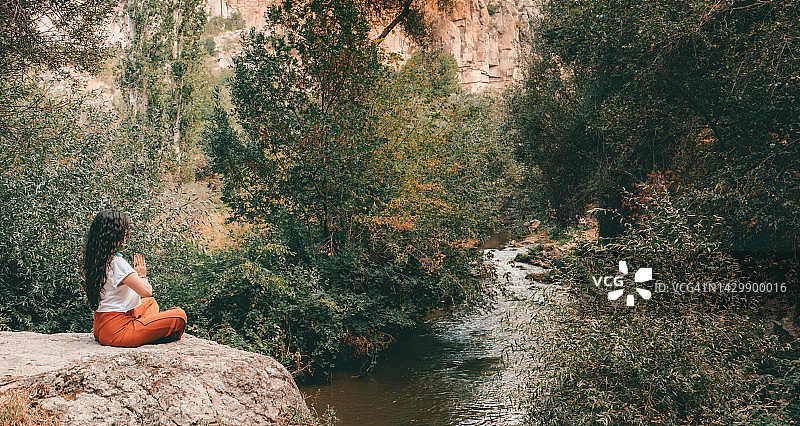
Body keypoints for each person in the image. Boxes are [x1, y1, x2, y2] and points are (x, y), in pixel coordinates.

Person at [82, 209, 187, 347]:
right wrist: (142, 275)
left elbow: (147, 297)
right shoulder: (117, 263)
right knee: (179, 316)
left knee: (150, 303)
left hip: (101, 326)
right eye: (124, 229)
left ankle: (142, 328)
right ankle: (143, 331)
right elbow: (146, 291)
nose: (127, 233)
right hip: (117, 331)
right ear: (115, 234)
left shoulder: (96, 259)